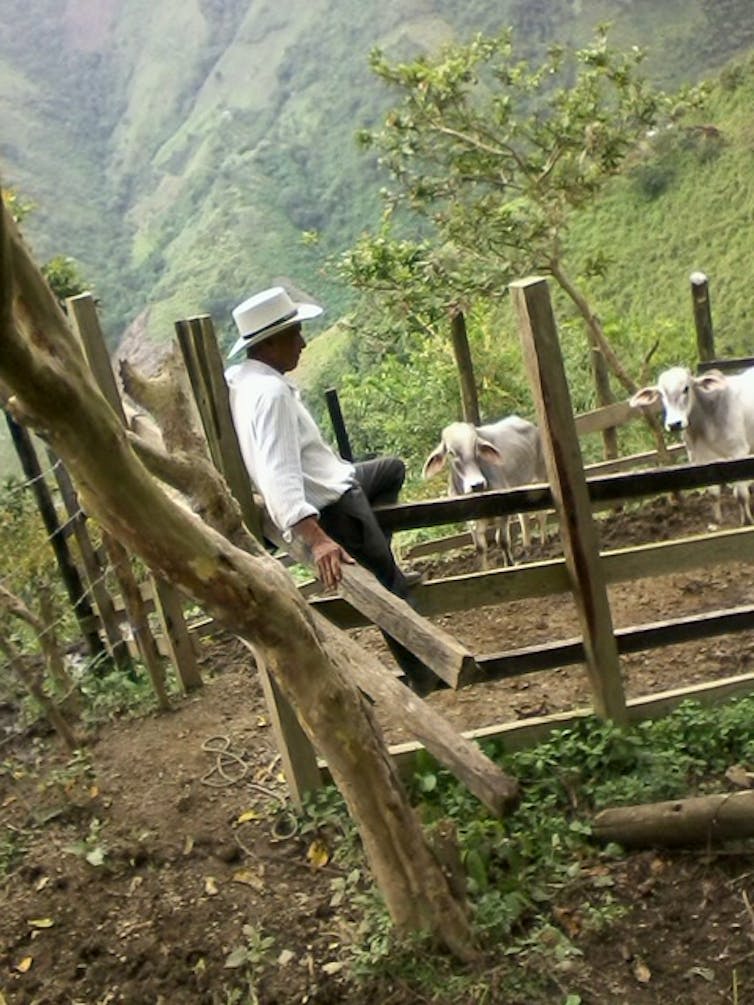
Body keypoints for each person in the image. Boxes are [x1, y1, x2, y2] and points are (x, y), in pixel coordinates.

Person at [224, 285, 441, 697]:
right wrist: (319, 540)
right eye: (294, 335)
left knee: (390, 470)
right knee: (390, 592)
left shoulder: (243, 380)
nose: (303, 343)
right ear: (268, 344)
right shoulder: (270, 396)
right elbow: (278, 475)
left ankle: (378, 555)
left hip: (336, 475)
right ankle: (428, 673)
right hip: (333, 503)